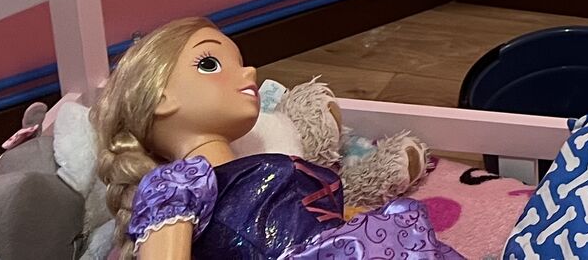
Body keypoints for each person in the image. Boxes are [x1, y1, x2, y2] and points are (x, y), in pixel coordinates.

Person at [93, 18, 463, 259]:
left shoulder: (250, 167)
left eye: (242, 62)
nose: (249, 72)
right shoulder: (176, 180)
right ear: (160, 98)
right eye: (209, 64)